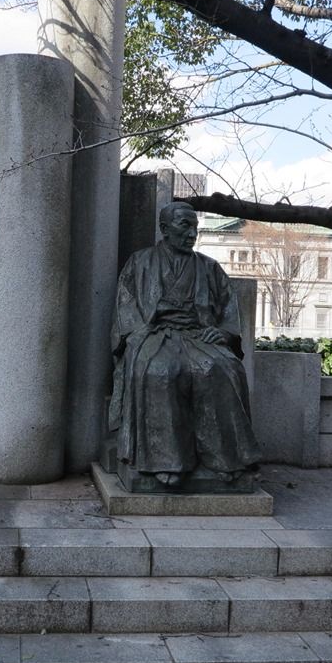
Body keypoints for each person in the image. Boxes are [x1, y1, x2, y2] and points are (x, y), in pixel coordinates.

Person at [109, 201, 261, 488]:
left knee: (223, 368)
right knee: (162, 371)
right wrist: (138, 335)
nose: (192, 234)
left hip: (198, 335)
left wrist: (224, 334)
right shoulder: (140, 262)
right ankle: (166, 461)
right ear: (164, 229)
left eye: (195, 228)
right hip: (155, 334)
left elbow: (229, 310)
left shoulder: (209, 267)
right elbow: (125, 310)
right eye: (185, 226)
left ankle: (226, 458)